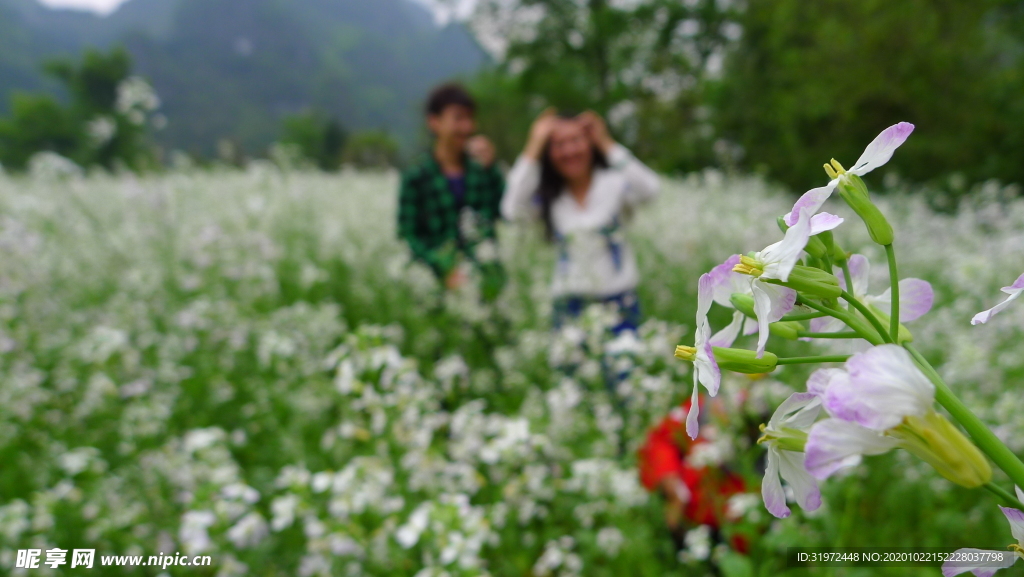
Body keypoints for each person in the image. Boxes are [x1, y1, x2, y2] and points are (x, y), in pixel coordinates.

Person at [501, 109, 659, 333]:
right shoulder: (548, 197)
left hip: (621, 302)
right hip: (570, 305)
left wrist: (606, 142)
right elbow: (511, 211)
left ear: (590, 142)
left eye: (576, 140)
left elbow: (651, 190)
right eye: (558, 144)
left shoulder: (613, 183)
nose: (569, 151)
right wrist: (534, 145)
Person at [398, 83, 506, 300]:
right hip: (435, 289)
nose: (467, 127)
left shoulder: (483, 171)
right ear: (434, 122)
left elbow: (506, 211)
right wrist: (442, 266)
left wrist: (493, 167)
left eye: (470, 118)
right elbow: (408, 236)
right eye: (458, 118)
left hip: (486, 287)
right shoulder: (416, 177)